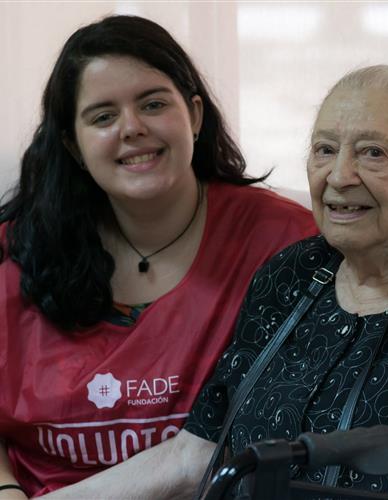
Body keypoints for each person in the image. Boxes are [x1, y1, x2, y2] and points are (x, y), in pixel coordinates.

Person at [54, 64, 388, 500]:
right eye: (325, 149)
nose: (340, 176)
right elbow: (197, 456)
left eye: (373, 153)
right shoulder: (292, 273)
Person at [0, 15, 317, 498]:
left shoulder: (284, 239)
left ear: (193, 114)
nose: (132, 128)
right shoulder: (14, 251)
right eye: (103, 116)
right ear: (73, 144)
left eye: (152, 104)